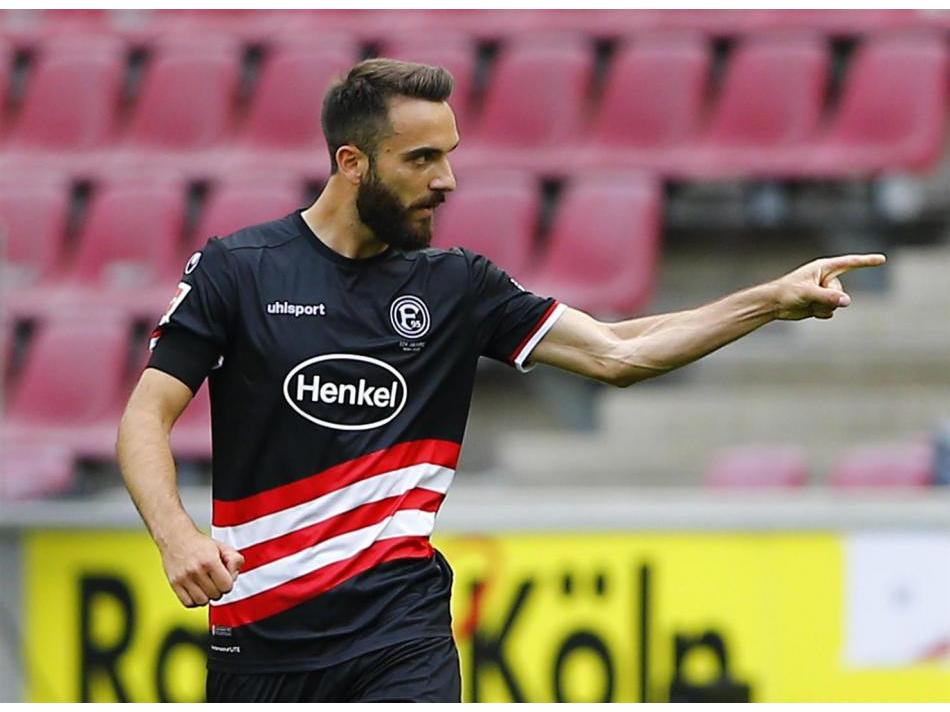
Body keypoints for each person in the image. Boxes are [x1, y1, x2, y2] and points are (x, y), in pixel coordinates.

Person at [116, 58, 885, 702]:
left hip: (400, 638)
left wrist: (768, 301)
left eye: (450, 155)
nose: (447, 180)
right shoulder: (238, 272)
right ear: (352, 164)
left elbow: (618, 353)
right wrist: (175, 535)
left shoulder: (455, 286)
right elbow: (145, 418)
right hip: (259, 647)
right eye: (422, 159)